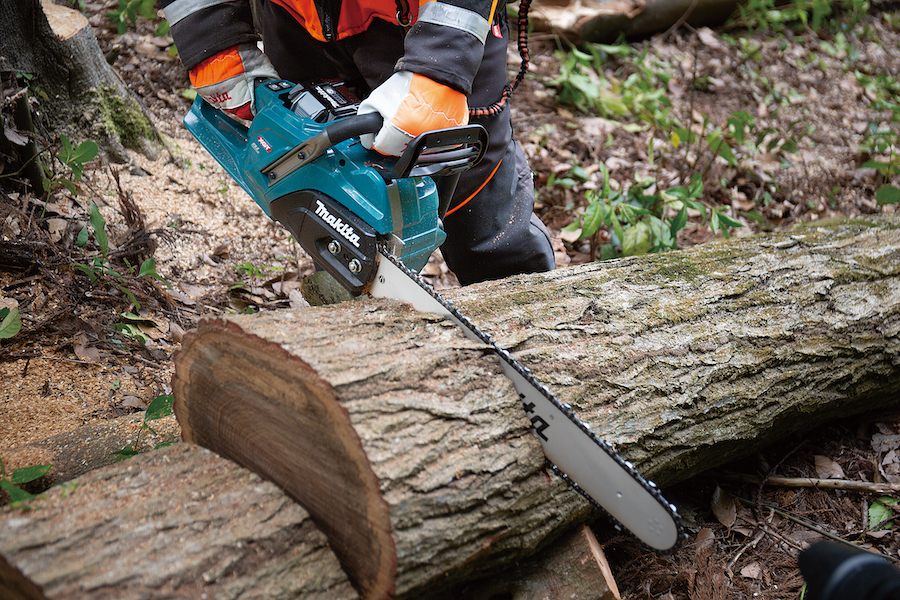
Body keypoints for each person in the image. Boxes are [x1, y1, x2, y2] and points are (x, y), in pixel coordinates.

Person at [161, 0, 555, 285]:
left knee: (481, 216)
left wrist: (443, 65)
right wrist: (213, 37)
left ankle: (527, 332)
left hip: (435, 21)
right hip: (296, 23)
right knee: (339, 201)